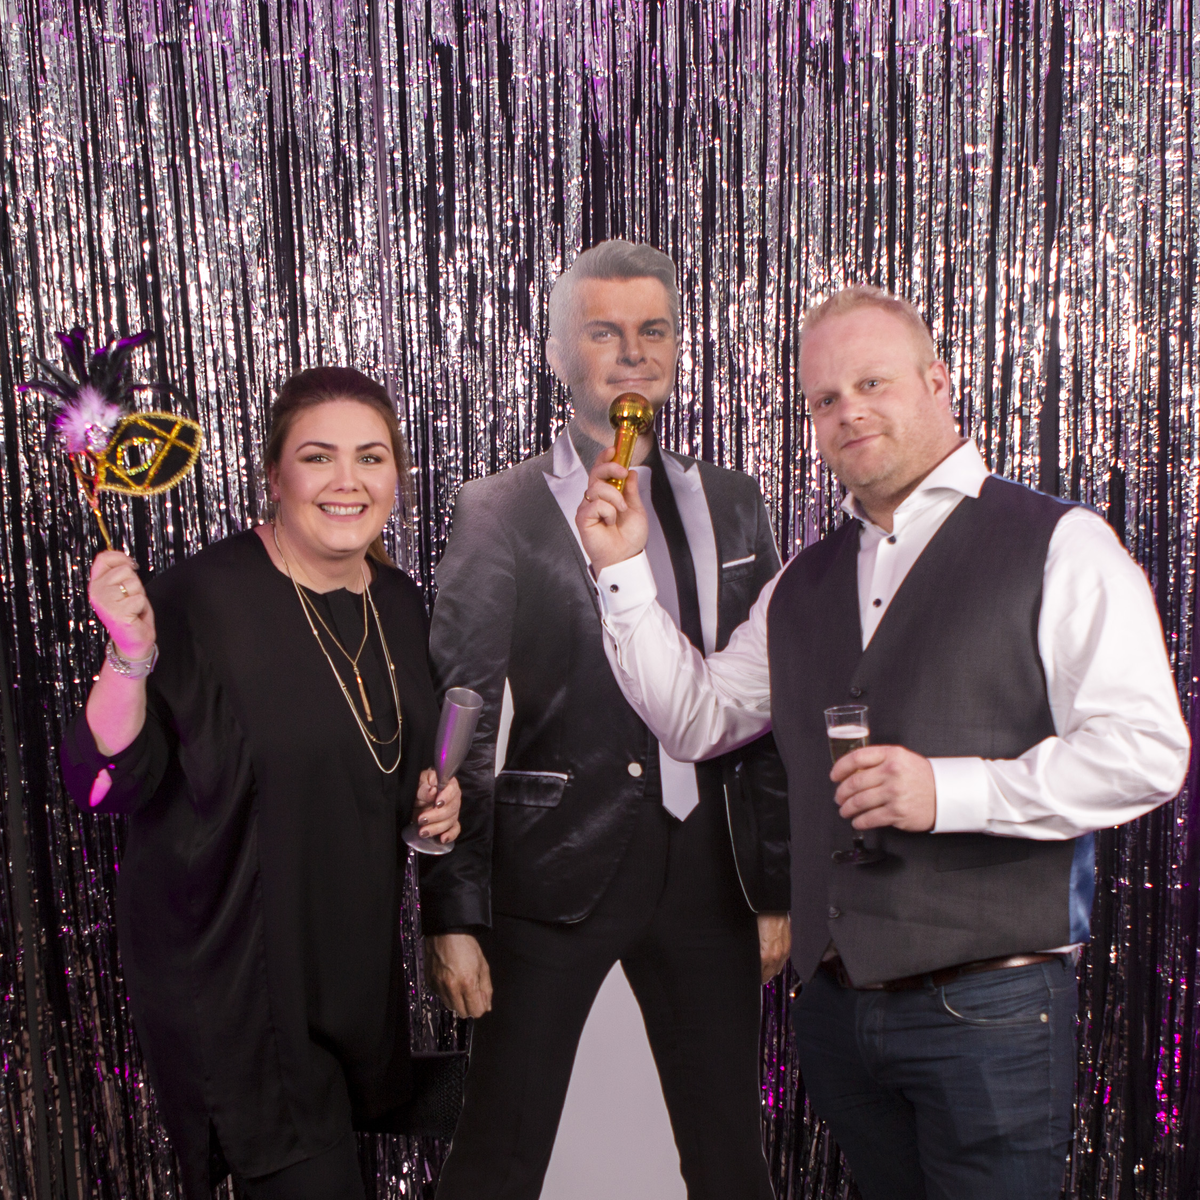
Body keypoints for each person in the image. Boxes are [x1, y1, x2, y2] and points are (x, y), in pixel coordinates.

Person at [575, 285, 1190, 1200]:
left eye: (873, 383)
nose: (848, 411)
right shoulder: (801, 582)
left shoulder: (1063, 543)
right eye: (825, 398)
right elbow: (697, 718)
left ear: (938, 384)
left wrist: (950, 792)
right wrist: (622, 571)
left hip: (992, 1008)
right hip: (841, 1012)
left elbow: (1147, 751)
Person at [420, 239, 789, 1200]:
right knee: (498, 1155)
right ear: (556, 351)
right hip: (552, 869)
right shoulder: (498, 508)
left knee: (730, 1158)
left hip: (712, 872)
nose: (633, 352)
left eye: (653, 330)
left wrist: (776, 882)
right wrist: (453, 911)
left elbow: (771, 697)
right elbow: (462, 715)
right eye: (604, 332)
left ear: (677, 346)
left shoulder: (733, 499)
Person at [59, 367, 463, 1200]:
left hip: (351, 984)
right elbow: (104, 785)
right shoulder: (194, 599)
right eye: (318, 457)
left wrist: (434, 808)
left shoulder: (398, 604)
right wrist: (129, 657)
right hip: (240, 987)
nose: (348, 481)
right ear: (274, 477)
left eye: (371, 457)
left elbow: (387, 773)